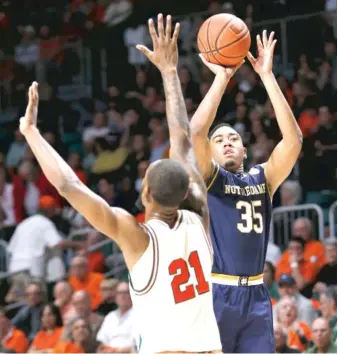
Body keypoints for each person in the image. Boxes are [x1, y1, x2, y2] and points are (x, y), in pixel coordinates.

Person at [19, 13, 221, 354]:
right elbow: (182, 139)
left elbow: (69, 186)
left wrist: (32, 133)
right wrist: (170, 73)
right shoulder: (200, 213)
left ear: (145, 194)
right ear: (187, 189)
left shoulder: (137, 236)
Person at [190, 30, 303, 353]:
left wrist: (266, 76)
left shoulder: (262, 177)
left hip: (256, 294)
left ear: (244, 151)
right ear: (210, 154)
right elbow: (197, 130)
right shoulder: (211, 177)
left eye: (234, 139)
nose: (227, 141)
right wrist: (222, 79)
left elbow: (293, 141)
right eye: (220, 140)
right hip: (219, 293)